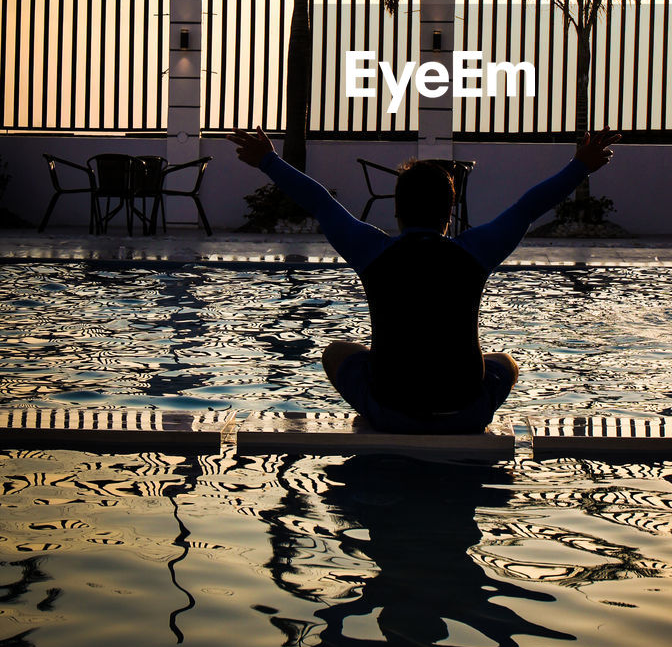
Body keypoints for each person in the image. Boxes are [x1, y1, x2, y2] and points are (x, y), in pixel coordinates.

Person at [228, 126, 620, 434]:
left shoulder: (372, 251)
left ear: (396, 211)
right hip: (465, 411)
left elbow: (320, 203)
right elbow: (529, 207)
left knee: (335, 353)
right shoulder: (474, 251)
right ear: (449, 213)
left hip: (390, 411)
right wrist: (581, 165)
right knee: (506, 363)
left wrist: (269, 161)